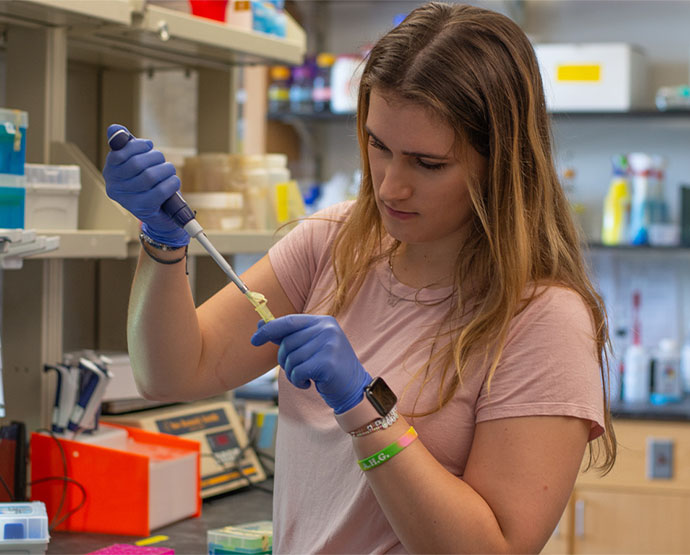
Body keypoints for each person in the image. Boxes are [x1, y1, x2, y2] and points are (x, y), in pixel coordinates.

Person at [103, 2, 616, 552]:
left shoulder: (542, 318)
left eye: (427, 163)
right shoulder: (333, 242)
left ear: (502, 161)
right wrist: (162, 239)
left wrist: (363, 406)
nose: (391, 186)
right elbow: (173, 373)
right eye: (379, 145)